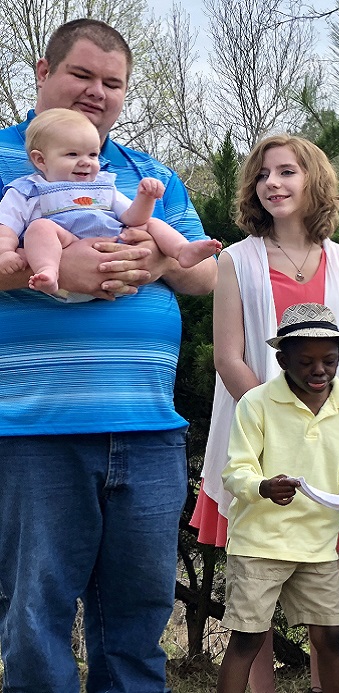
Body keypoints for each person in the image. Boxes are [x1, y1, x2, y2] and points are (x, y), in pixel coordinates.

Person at [0, 18, 217, 691]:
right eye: (82, 75)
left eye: (112, 82)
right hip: (35, 427)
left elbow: (202, 274)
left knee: (138, 617)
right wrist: (56, 269)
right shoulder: (9, 164)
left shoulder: (145, 172)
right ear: (43, 72)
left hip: (148, 427)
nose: (97, 92)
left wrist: (154, 258)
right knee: (35, 619)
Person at [190, 134, 339, 692]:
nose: (274, 183)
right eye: (264, 175)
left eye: (287, 172)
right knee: (254, 599)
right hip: (255, 439)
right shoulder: (234, 262)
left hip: (326, 447)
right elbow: (228, 357)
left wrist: (332, 421)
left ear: (312, 181)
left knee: (322, 603)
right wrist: (276, 423)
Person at [216, 302, 339, 693]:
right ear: (282, 359)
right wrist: (263, 487)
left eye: (330, 361)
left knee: (330, 639)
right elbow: (236, 471)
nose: (319, 371)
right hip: (260, 544)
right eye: (306, 362)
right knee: (247, 639)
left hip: (318, 546)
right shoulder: (257, 403)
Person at [0, 107, 221, 295]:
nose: (86, 162)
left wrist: (145, 198)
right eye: (72, 154)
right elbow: (6, 229)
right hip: (66, 244)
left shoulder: (104, 186)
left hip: (116, 244)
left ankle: (181, 251)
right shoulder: (27, 190)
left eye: (93, 155)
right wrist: (6, 253)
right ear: (40, 159)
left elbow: (133, 218)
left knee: (151, 224)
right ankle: (48, 270)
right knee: (40, 228)